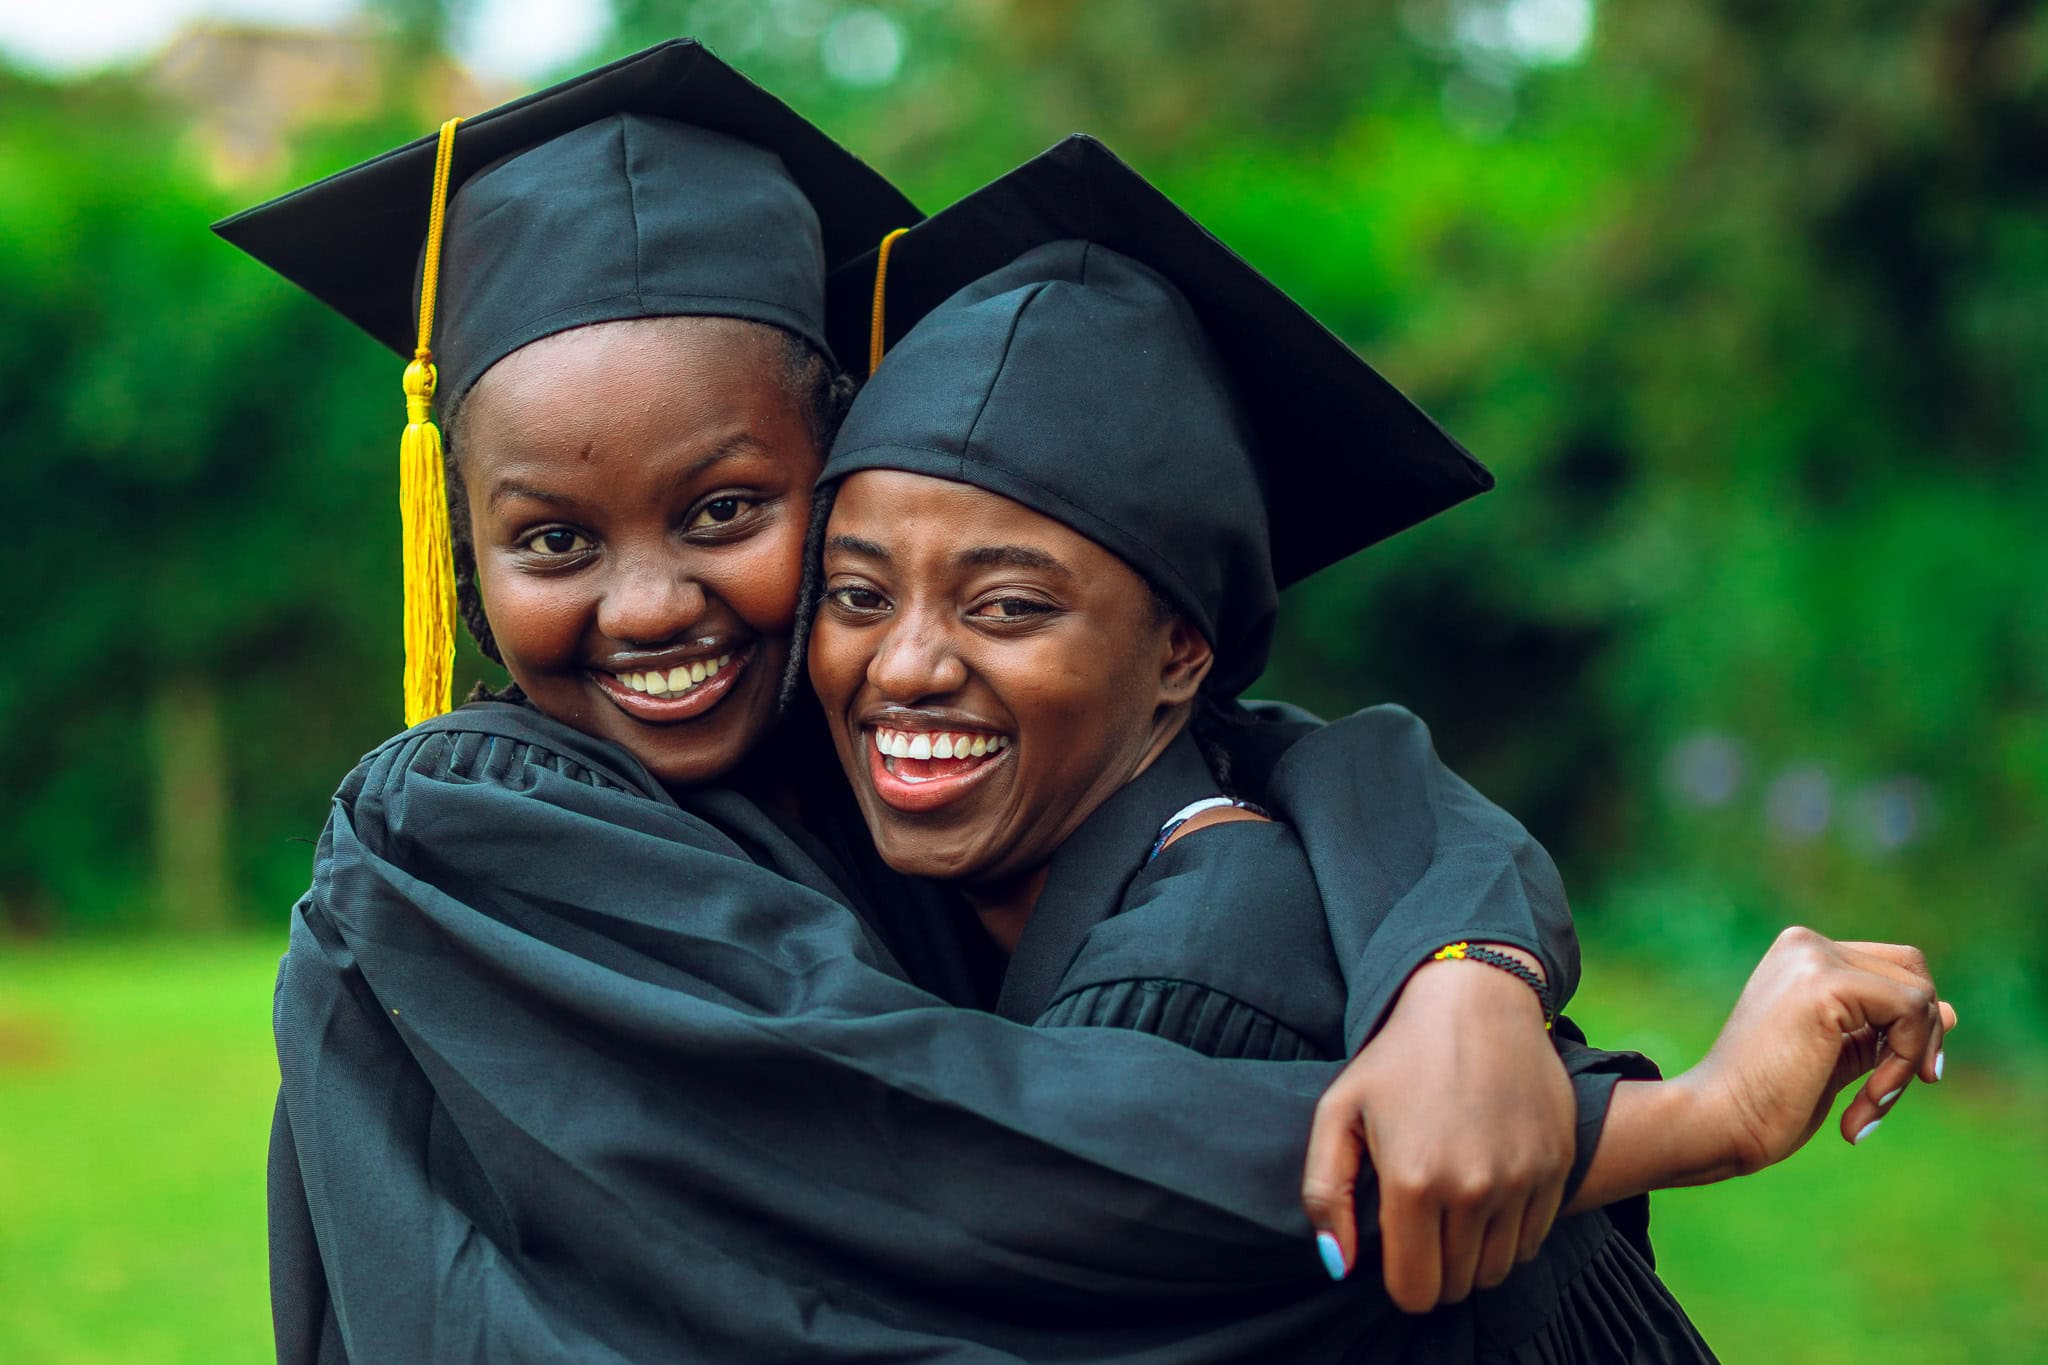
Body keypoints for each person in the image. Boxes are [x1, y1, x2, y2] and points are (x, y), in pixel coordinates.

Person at [221, 42, 1613, 1360]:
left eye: (723, 511)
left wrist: (1465, 980)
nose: (647, 605)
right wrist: (1654, 1120)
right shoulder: (466, 839)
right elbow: (939, 1154)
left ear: (837, 490)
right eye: (555, 540)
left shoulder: (867, 768)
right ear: (461, 553)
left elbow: (1287, 753)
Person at [801, 138, 1954, 1359]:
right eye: (856, 593)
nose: (905, 664)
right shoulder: (1136, 841)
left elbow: (1019, 1235)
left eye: (1007, 606)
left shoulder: (1211, 953)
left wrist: (1687, 1113)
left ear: (1181, 655)